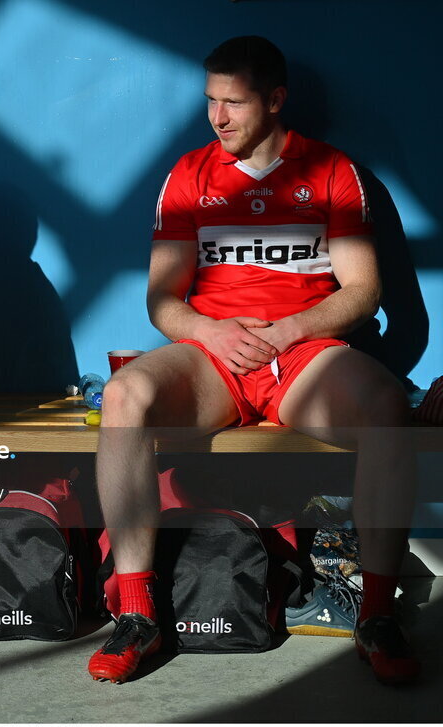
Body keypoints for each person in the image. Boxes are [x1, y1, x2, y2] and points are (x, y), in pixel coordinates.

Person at [88, 37, 419, 686]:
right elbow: (161, 298)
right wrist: (212, 331)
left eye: (233, 102)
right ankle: (136, 615)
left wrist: (289, 328)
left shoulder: (330, 170)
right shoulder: (189, 174)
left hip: (303, 356)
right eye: (210, 101)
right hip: (217, 357)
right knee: (124, 395)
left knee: (384, 406)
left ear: (275, 100)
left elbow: (364, 291)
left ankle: (377, 615)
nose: (218, 117)